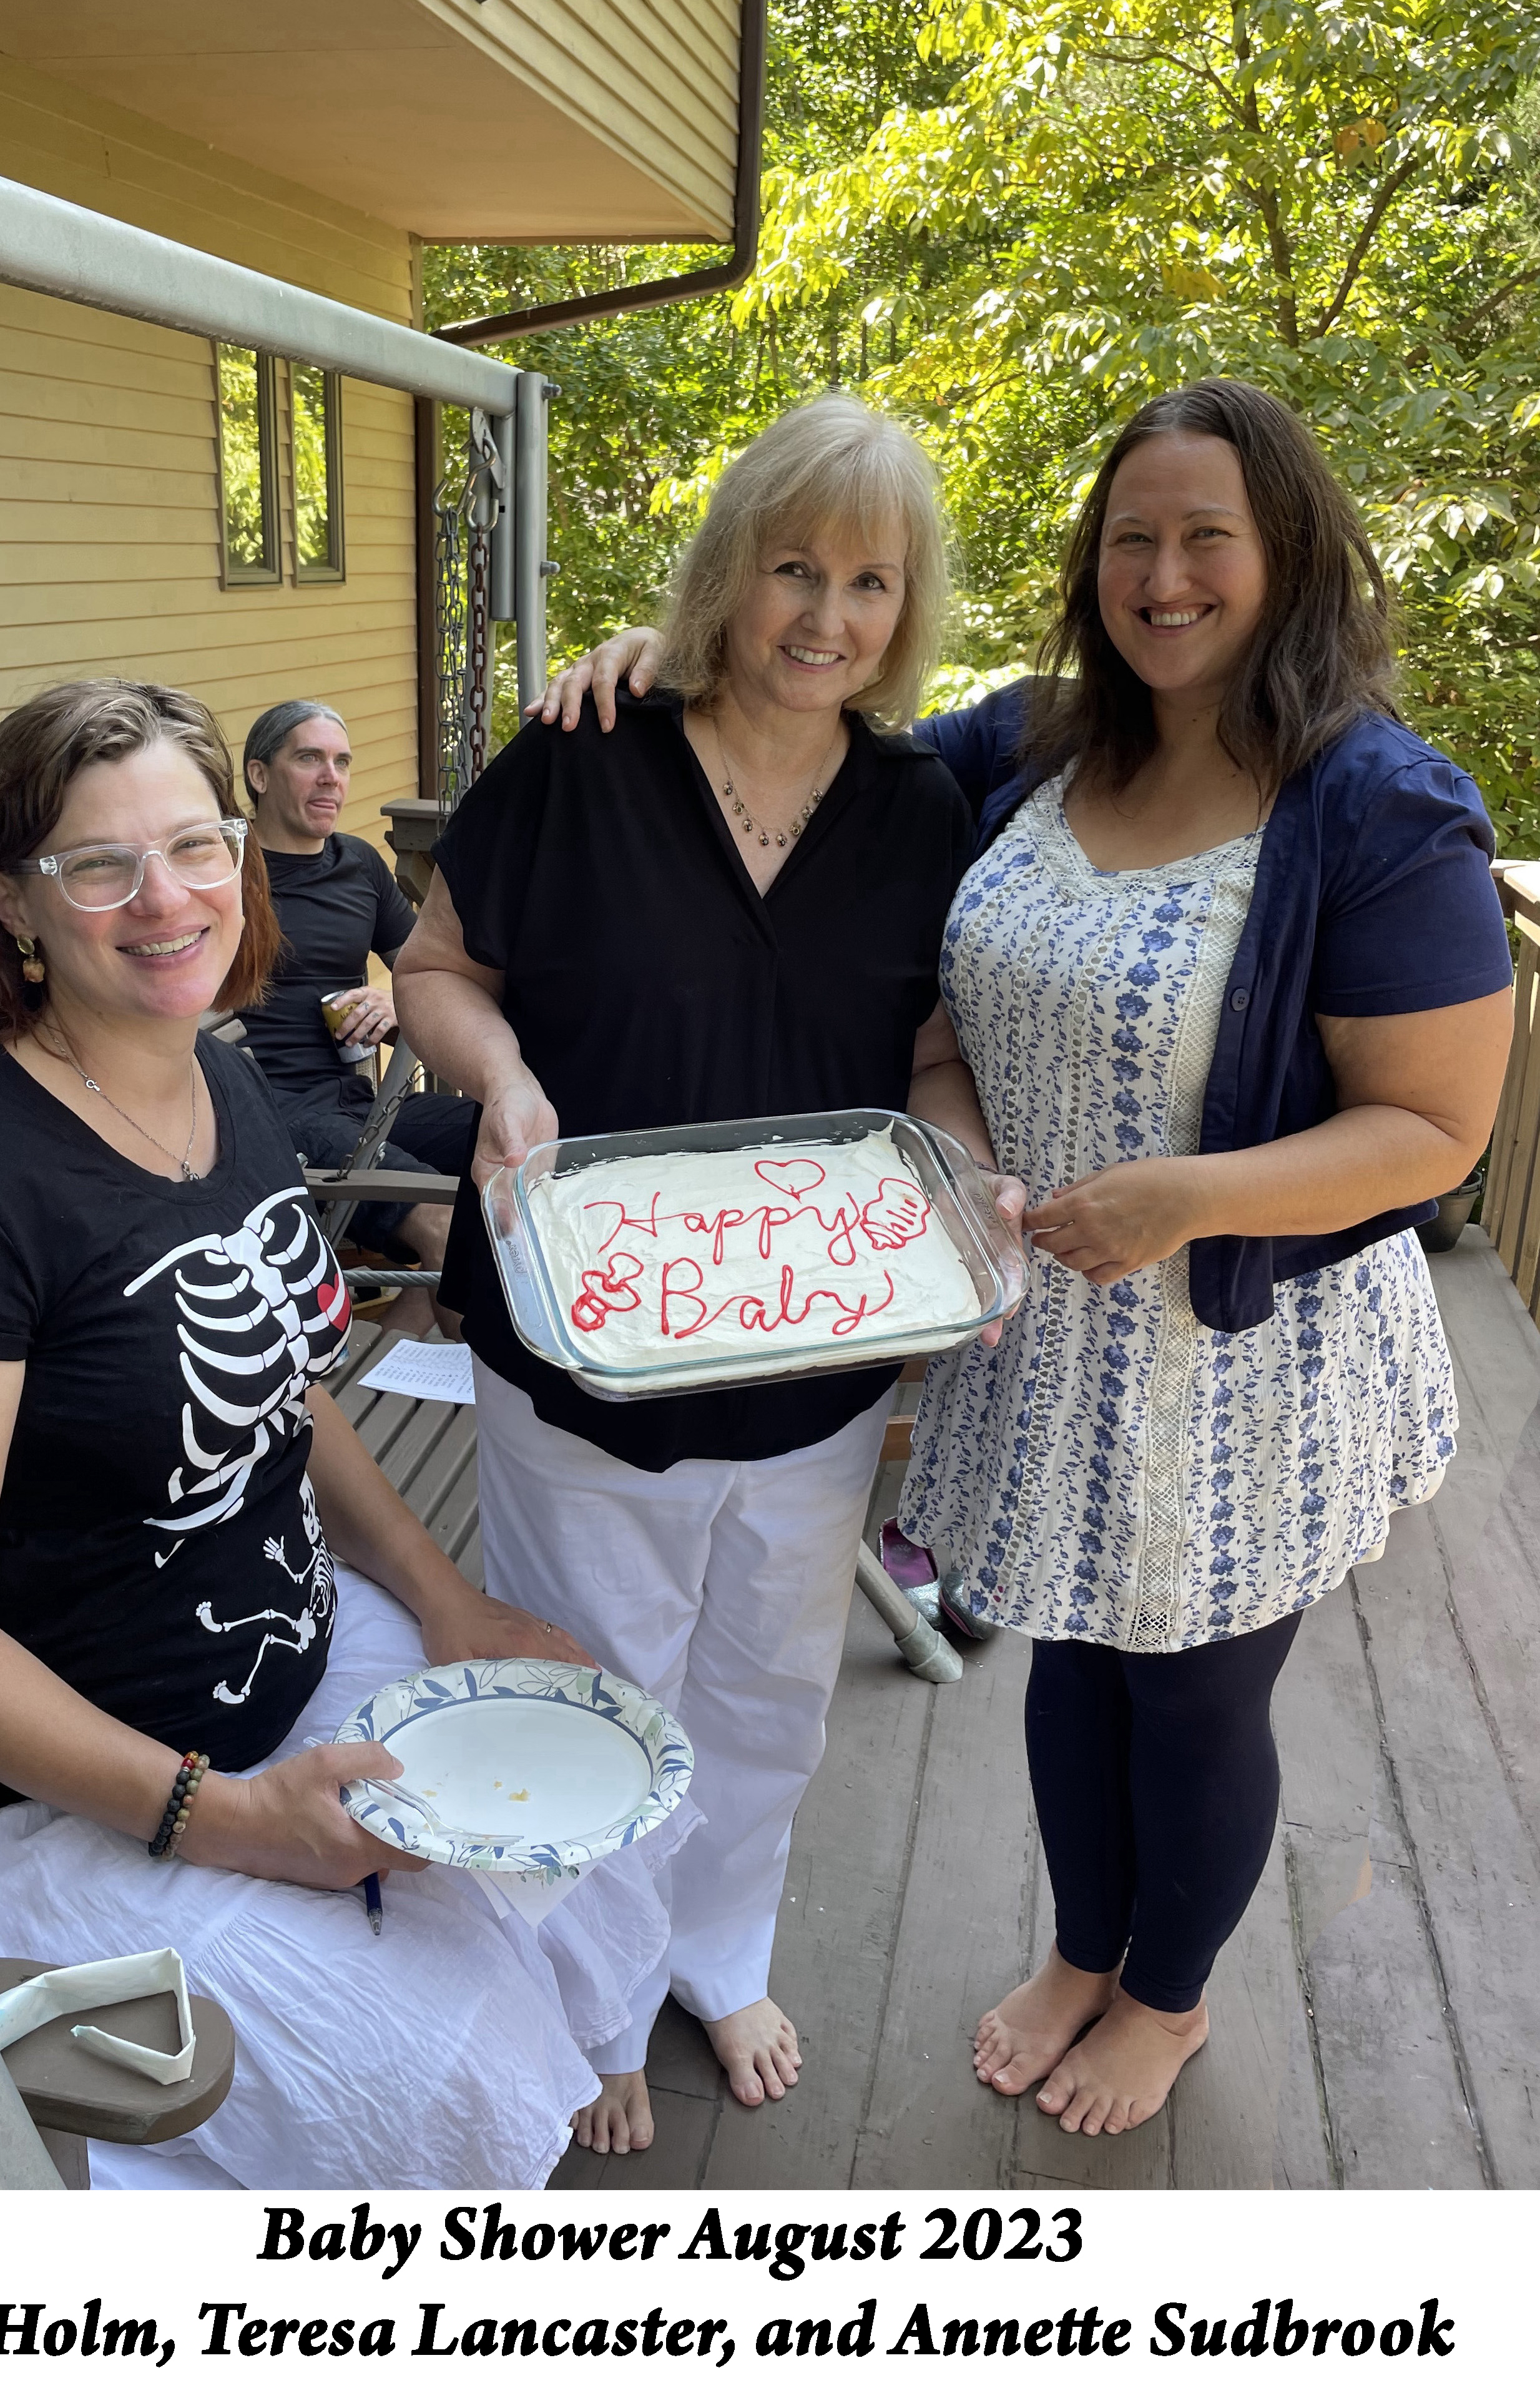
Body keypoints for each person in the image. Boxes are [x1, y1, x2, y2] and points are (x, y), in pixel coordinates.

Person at [532, 376, 1515, 2139]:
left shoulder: (1376, 804)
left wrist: (1184, 1198)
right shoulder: (1039, 740)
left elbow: (1433, 1132)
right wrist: (656, 645)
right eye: (1130, 537)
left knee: (1195, 1694)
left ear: (1284, 554)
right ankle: (1081, 1951)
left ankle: (1165, 1997)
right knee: (1069, 1657)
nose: (1162, 576)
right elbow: (810, 700)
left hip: (1240, 1334)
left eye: (1205, 537)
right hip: (1044, 1321)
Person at [0, 679, 679, 2191]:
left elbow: (290, 1387)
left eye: (197, 844)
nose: (165, 900)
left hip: (287, 1659)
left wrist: (448, 1597)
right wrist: (220, 1818)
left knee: (606, 1781)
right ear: (19, 905)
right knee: (442, 2064)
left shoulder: (217, 1077)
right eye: (100, 865)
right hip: (52, 1784)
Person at [393, 394, 1015, 2158]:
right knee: (594, 1683)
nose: (828, 618)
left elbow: (932, 1045)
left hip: (815, 1357)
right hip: (589, 1340)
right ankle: (586, 1999)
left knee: (763, 1688)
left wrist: (954, 1158)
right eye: (796, 570)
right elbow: (439, 967)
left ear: (911, 607)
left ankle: (711, 1952)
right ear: (730, 570)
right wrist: (500, 1078)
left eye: (873, 583)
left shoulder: (919, 806)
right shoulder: (586, 752)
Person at [236, 700, 475, 1329]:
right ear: (259, 775)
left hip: (361, 1104)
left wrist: (395, 1000)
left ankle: (376, 1377)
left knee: (512, 1152)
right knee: (450, 1227)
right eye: (308, 758)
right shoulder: (219, 870)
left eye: (341, 761)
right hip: (270, 1114)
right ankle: (457, 1405)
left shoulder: (358, 863)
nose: (330, 777)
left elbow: (431, 978)